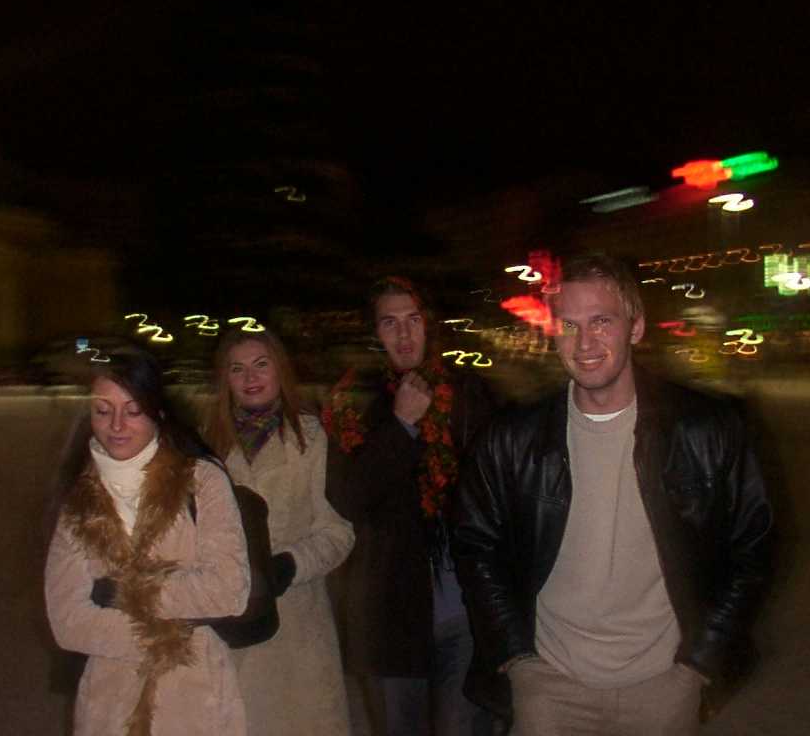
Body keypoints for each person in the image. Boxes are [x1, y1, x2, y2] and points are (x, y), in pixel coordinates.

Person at [452, 254, 774, 735]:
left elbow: (755, 549)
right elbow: (476, 548)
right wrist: (517, 660)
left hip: (663, 688)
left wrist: (698, 665)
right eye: (570, 325)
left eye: (601, 321)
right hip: (549, 690)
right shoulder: (513, 438)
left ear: (636, 327)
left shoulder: (705, 430)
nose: (584, 343)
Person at [45, 348, 250, 736]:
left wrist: (126, 593)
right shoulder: (79, 500)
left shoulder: (202, 481)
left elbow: (228, 590)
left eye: (133, 410)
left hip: (195, 699)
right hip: (109, 702)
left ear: (157, 412)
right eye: (103, 411)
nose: (116, 425)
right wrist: (160, 636)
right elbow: (67, 620)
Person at [324, 276, 496, 736]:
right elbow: (348, 498)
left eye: (413, 320)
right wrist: (401, 424)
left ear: (428, 325)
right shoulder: (353, 403)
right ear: (375, 334)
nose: (404, 334)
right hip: (390, 615)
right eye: (390, 323)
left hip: (463, 610)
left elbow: (494, 494)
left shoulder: (467, 394)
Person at [204, 326, 356, 736]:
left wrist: (290, 565)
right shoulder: (208, 446)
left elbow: (338, 531)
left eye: (261, 364)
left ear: (280, 370)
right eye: (237, 369)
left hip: (298, 633)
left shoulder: (312, 439)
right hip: (230, 631)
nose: (250, 377)